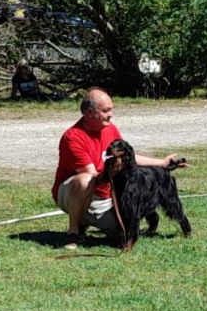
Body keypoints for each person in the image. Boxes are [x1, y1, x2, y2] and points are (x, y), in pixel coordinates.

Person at [52, 87, 188, 249]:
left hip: (106, 196)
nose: (111, 115)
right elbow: (94, 176)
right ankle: (75, 232)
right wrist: (114, 171)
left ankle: (92, 220)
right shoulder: (73, 137)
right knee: (85, 180)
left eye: (111, 110)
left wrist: (161, 163)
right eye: (106, 110)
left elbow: (129, 157)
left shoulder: (110, 128)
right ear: (89, 112)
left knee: (122, 228)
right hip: (75, 192)